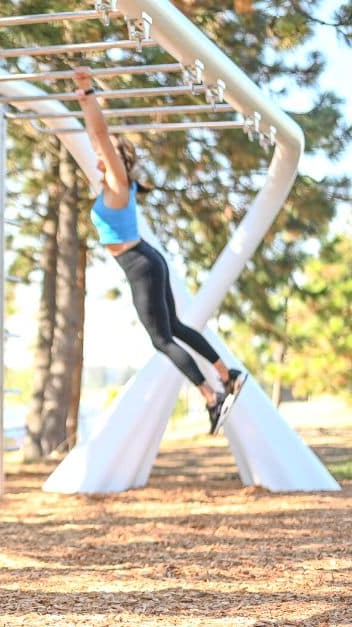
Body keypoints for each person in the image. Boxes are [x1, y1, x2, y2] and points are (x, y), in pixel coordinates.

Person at [72, 67, 247, 434]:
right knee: (177, 328)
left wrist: (87, 92)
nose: (98, 156)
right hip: (146, 258)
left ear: (117, 160)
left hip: (138, 263)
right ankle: (227, 375)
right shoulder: (115, 187)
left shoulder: (118, 184)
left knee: (161, 339)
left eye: (105, 154)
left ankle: (212, 397)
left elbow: (100, 134)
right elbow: (96, 138)